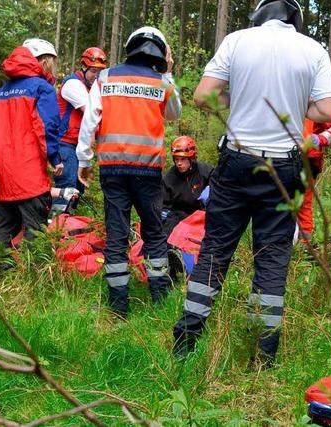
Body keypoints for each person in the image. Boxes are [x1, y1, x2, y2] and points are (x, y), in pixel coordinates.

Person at [172, 0, 331, 366]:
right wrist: (296, 108)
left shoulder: (236, 40)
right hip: (284, 166)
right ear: (295, 17)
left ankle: (185, 342)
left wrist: (240, 99)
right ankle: (262, 356)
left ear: (260, 15)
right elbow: (330, 111)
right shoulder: (313, 50)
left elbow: (202, 95)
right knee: (273, 257)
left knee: (215, 249)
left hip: (236, 160)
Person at [77, 26, 182, 317]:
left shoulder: (106, 77)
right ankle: (160, 299)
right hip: (147, 171)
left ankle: (118, 306)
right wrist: (169, 72)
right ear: (161, 52)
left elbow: (89, 122)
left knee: (116, 235)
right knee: (154, 233)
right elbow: (174, 113)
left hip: (112, 170)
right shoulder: (161, 81)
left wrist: (84, 162)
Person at [0, 38, 64, 248]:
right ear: (43, 61)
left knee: (4, 227)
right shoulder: (41, 88)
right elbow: (47, 128)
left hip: (2, 174)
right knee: (35, 230)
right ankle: (31, 277)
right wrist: (55, 158)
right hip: (29, 173)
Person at [53, 47, 107, 214]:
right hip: (66, 144)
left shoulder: (94, 88)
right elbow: (92, 112)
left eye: (99, 71)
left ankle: (67, 227)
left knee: (78, 189)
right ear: (83, 67)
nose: (96, 75)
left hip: (80, 146)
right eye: (92, 71)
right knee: (67, 187)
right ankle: (55, 227)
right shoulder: (73, 84)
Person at [296, 119, 331, 243]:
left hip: (308, 160)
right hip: (280, 156)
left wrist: (317, 139)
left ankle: (304, 248)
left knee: (303, 204)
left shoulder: (319, 101)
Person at [162, 136, 214, 236]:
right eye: (176, 159)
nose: (179, 163)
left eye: (183, 159)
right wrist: (163, 212)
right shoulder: (169, 178)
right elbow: (164, 205)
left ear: (191, 158)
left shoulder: (205, 170)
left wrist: (211, 189)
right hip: (178, 217)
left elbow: (219, 183)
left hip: (201, 215)